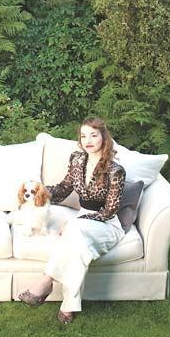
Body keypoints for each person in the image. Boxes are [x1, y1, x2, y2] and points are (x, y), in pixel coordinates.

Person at [18, 117, 126, 324]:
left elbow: (110, 211)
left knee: (74, 228)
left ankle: (45, 282)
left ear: (104, 138)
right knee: (78, 246)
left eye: (93, 135)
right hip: (82, 224)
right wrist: (38, 191)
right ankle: (68, 306)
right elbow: (63, 189)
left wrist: (77, 220)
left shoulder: (116, 171)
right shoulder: (77, 160)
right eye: (84, 136)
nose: (88, 140)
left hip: (106, 224)